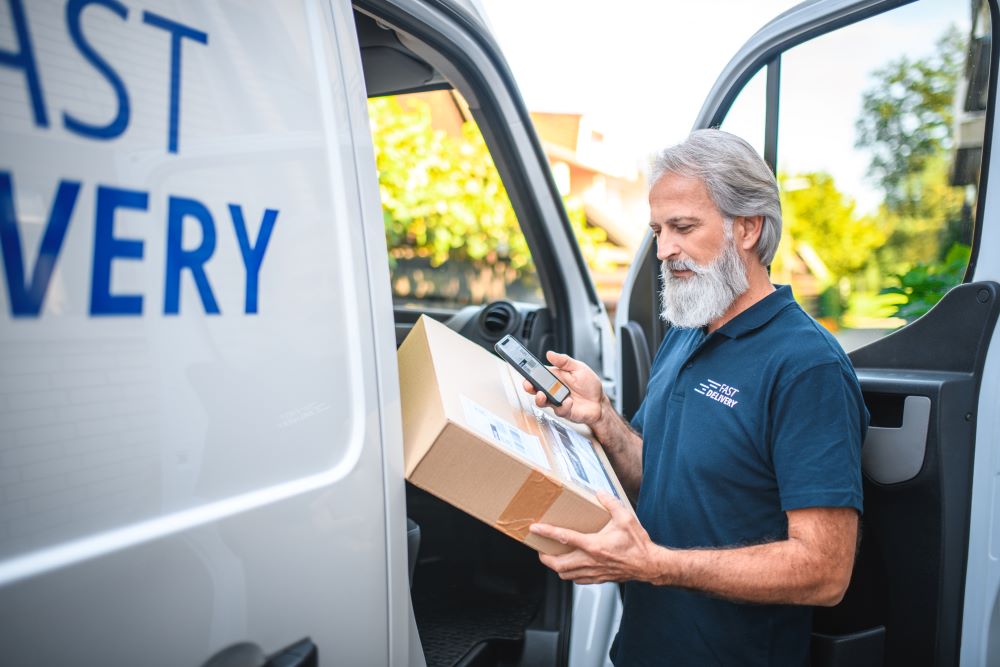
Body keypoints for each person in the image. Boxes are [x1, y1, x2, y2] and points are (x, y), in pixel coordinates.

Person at [523, 129, 868, 666]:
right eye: (658, 230)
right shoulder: (687, 332)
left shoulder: (807, 365)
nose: (663, 250)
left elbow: (824, 570)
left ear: (748, 227)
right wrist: (603, 418)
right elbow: (657, 476)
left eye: (682, 227)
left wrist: (656, 565)